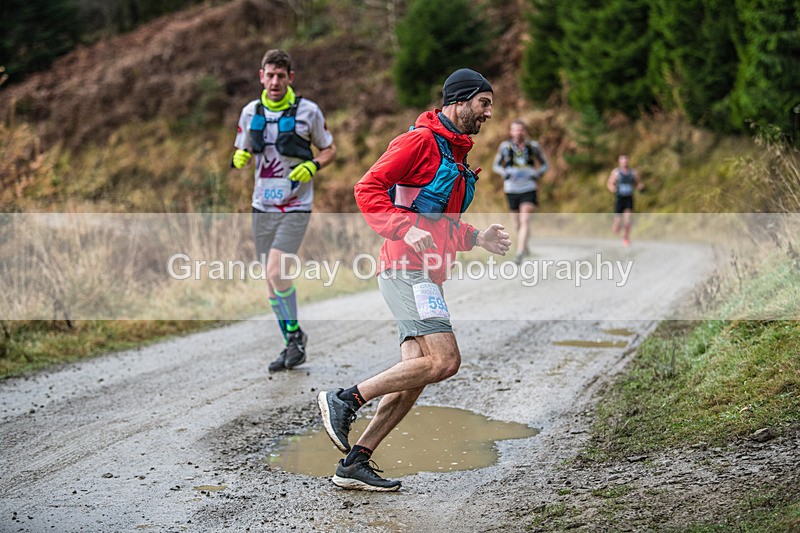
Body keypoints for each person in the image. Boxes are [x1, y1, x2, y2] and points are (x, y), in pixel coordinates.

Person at [317, 68, 511, 491]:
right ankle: (345, 399)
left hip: (426, 273)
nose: (489, 113)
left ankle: (355, 462)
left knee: (417, 372)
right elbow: (367, 189)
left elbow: (439, 222)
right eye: (484, 103)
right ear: (459, 101)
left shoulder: (453, 153)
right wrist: (403, 228)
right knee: (445, 361)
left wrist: (477, 237)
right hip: (405, 267)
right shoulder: (419, 141)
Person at [231, 49, 336, 371]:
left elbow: (329, 149)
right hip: (262, 205)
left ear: (290, 77)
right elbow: (243, 148)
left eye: (280, 76)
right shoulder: (250, 112)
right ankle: (292, 341)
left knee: (276, 271)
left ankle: (294, 336)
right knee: (270, 278)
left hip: (296, 205)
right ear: (261, 76)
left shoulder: (308, 111)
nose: (275, 81)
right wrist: (239, 157)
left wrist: (313, 165)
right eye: (269, 75)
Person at [492, 120, 548, 264]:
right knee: (517, 223)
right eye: (515, 130)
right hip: (511, 188)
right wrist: (504, 173)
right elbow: (496, 165)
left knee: (525, 219)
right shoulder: (505, 147)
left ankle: (520, 252)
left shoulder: (533, 146)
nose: (518, 132)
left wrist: (536, 174)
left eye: (521, 130)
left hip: (528, 187)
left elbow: (544, 164)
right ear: (511, 132)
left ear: (525, 131)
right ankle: (525, 244)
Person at [606, 154, 643, 246]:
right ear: (620, 162)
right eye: (623, 161)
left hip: (629, 198)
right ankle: (616, 227)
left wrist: (640, 187)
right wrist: (613, 189)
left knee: (628, 218)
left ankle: (626, 238)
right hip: (620, 199)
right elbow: (610, 183)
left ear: (628, 161)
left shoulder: (633, 172)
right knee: (618, 221)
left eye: (626, 161)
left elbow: (638, 183)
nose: (625, 163)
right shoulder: (616, 172)